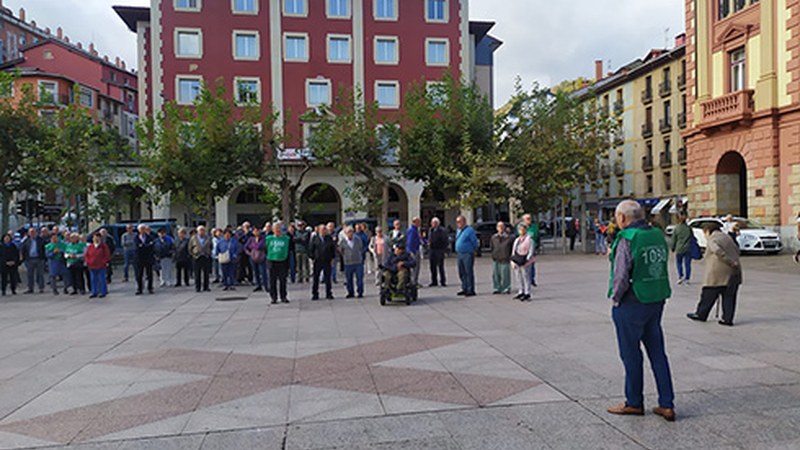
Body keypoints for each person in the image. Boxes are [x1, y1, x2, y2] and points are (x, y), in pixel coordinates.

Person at [606, 200, 675, 422]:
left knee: (631, 355)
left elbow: (621, 275)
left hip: (632, 301)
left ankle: (634, 402)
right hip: (656, 298)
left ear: (623, 218)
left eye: (617, 217)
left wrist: (616, 300)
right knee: (657, 353)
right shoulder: (657, 234)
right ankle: (667, 404)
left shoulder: (627, 238)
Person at [687, 222, 742, 326]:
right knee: (729, 297)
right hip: (733, 273)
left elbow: (716, 250)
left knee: (708, 294)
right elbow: (737, 250)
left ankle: (701, 314)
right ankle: (727, 319)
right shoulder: (727, 237)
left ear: (708, 231)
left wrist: (728, 260)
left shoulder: (713, 239)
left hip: (717, 274)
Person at [266, 224, 291, 304]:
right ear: (273, 230)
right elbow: (265, 248)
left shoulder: (285, 239)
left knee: (283, 280)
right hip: (272, 261)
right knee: (272, 280)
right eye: (276, 229)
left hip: (282, 261)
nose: (278, 230)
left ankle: (283, 296)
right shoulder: (269, 238)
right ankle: (274, 297)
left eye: (279, 229)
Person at [310, 224, 335, 300]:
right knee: (316, 278)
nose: (324, 231)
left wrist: (332, 258)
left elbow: (332, 248)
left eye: (325, 229)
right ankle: (315, 294)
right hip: (318, 260)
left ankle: (329, 293)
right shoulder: (315, 238)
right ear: (319, 230)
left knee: (327, 278)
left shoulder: (329, 238)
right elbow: (311, 248)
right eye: (322, 229)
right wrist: (312, 258)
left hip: (327, 260)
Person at [510, 223, 535, 301]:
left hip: (525, 261)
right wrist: (513, 260)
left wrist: (527, 259)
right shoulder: (517, 239)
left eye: (522, 229)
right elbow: (513, 250)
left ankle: (527, 293)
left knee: (526, 276)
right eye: (520, 230)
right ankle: (521, 291)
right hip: (517, 260)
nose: (521, 231)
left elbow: (531, 251)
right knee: (518, 276)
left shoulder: (529, 240)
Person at [455, 215, 478, 297]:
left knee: (468, 271)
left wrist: (475, 250)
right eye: (457, 222)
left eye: (459, 222)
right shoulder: (458, 230)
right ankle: (464, 287)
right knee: (461, 272)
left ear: (464, 222)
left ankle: (470, 289)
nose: (458, 224)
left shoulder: (469, 230)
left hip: (467, 253)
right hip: (459, 253)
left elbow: (474, 241)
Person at [340, 226, 365, 299]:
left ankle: (360, 292)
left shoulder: (358, 239)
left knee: (359, 278)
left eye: (351, 232)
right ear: (345, 233)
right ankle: (350, 292)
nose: (350, 234)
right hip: (348, 262)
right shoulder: (343, 241)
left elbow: (361, 247)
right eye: (348, 232)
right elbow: (341, 250)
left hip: (358, 262)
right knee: (349, 279)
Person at [20, 228, 46, 294]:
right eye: (31, 232)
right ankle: (30, 288)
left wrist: (44, 258)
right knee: (29, 275)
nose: (32, 234)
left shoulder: (41, 240)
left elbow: (44, 249)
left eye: (33, 232)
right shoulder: (26, 240)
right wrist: (23, 259)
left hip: (39, 259)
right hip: (29, 259)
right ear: (28, 233)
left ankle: (41, 288)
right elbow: (23, 249)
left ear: (36, 232)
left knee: (40, 274)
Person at [490, 222, 513, 295]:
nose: (500, 228)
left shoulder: (509, 237)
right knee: (496, 275)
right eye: (499, 226)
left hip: (505, 258)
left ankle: (506, 288)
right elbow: (492, 247)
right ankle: (497, 288)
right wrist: (493, 255)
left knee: (505, 274)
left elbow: (511, 248)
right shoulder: (494, 237)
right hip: (496, 258)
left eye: (502, 226)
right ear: (497, 228)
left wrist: (510, 256)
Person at [85, 233, 111, 299]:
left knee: (102, 279)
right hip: (92, 265)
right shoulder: (90, 246)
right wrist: (88, 262)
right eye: (94, 237)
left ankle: (103, 292)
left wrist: (104, 262)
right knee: (93, 279)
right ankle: (94, 292)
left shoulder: (103, 246)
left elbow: (107, 255)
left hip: (101, 265)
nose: (96, 239)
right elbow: (87, 255)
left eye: (97, 237)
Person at [132, 224, 155, 295]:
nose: (142, 230)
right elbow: (137, 248)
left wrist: (143, 246)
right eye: (141, 229)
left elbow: (151, 247)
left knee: (149, 274)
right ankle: (139, 288)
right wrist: (145, 246)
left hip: (148, 258)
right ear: (138, 230)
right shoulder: (136, 238)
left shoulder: (150, 237)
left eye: (143, 229)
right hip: (139, 259)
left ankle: (150, 288)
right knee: (139, 274)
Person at [671, 215, 694, 285]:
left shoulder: (676, 228)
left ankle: (680, 276)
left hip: (679, 248)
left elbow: (674, 239)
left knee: (679, 263)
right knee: (688, 264)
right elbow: (692, 237)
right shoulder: (688, 228)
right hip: (688, 248)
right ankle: (687, 278)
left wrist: (673, 247)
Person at [190, 226, 213, 292]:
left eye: (203, 230)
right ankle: (198, 287)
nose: (202, 232)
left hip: (205, 256)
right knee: (197, 273)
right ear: (198, 231)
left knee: (206, 273)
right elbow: (190, 248)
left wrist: (208, 253)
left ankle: (206, 287)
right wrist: (194, 254)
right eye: (200, 230)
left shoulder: (208, 238)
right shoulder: (193, 238)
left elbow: (211, 246)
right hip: (197, 257)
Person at [244, 227, 268, 292]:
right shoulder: (251, 239)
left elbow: (260, 246)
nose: (256, 232)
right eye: (254, 231)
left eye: (257, 231)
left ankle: (266, 286)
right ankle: (258, 285)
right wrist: (249, 253)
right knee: (256, 272)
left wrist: (253, 246)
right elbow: (245, 247)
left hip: (261, 257)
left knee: (263, 272)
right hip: (253, 257)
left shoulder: (263, 238)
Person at [427, 218, 448, 287]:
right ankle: (434, 281)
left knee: (440, 266)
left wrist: (443, 249)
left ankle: (442, 281)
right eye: (432, 223)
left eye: (434, 223)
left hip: (439, 250)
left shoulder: (442, 230)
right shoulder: (431, 230)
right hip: (432, 250)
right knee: (432, 266)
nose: (433, 224)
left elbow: (445, 240)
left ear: (438, 223)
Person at [521, 214, 539, 287]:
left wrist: (537, 246)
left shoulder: (534, 227)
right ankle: (524, 279)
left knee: (531, 263)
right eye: (527, 219)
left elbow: (537, 236)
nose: (529, 220)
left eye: (530, 218)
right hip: (522, 248)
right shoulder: (520, 227)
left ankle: (532, 279)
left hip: (532, 247)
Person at [406, 217, 422, 286]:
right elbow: (410, 242)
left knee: (416, 267)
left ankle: (415, 281)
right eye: (419, 222)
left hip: (416, 249)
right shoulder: (412, 230)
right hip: (413, 251)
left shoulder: (415, 230)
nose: (420, 223)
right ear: (415, 222)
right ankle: (413, 282)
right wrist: (412, 251)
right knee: (415, 267)